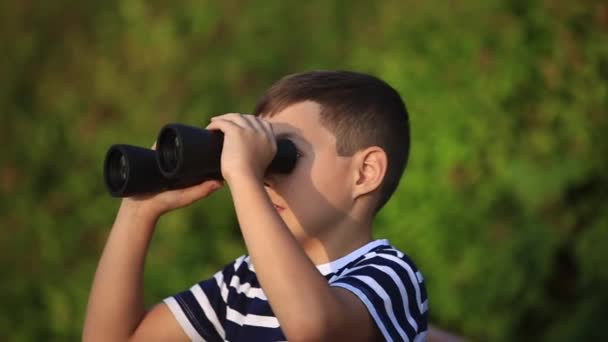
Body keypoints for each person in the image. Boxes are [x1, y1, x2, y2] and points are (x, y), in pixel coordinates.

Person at [83, 71, 430, 341]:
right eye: (260, 160)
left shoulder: (391, 276)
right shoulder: (243, 283)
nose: (265, 177)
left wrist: (243, 174)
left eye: (282, 156)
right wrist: (137, 211)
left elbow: (313, 328)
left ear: (365, 173)